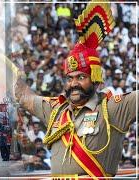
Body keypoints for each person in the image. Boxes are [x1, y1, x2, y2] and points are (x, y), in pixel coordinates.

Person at [15, 1, 137, 178]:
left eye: (81, 77)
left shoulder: (113, 108)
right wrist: (15, 75)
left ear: (95, 78)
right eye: (70, 78)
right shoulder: (56, 109)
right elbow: (24, 97)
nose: (73, 84)